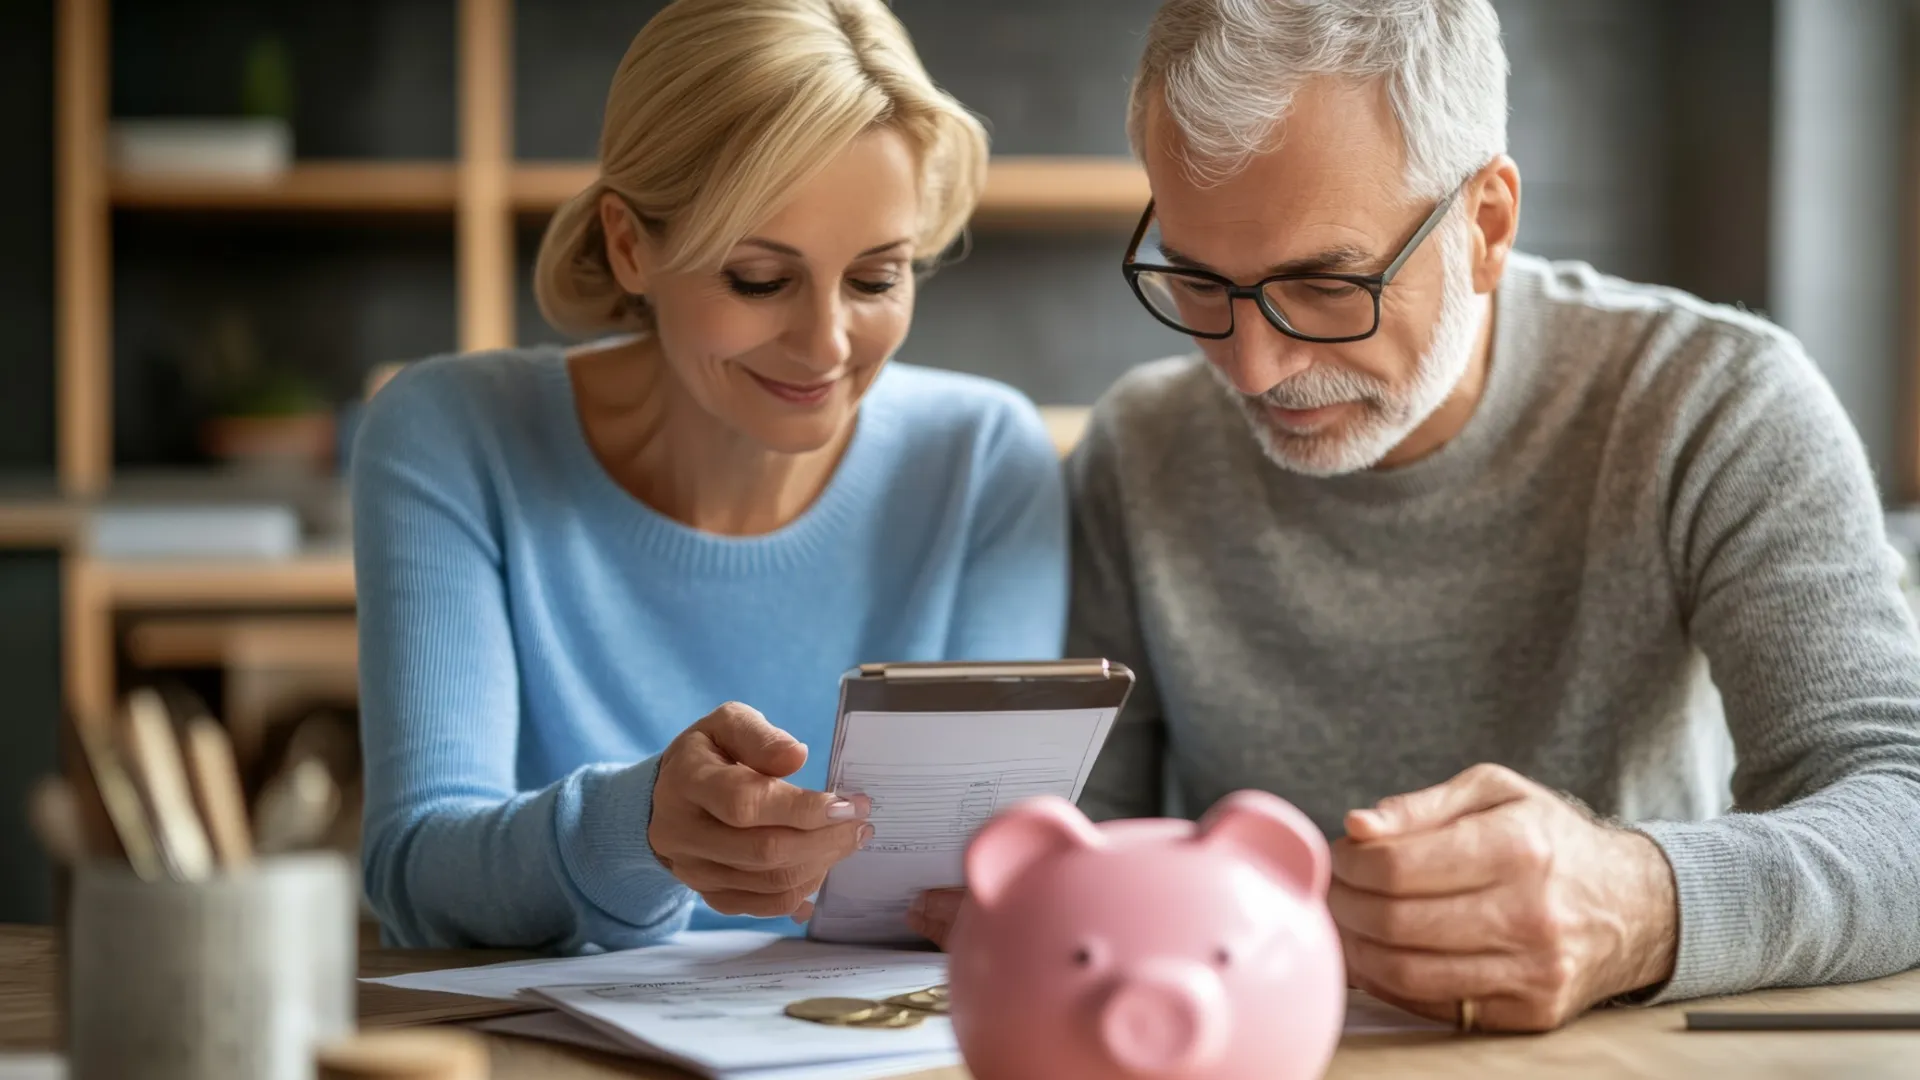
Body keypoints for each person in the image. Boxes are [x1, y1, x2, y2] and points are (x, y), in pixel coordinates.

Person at [907, 0, 1920, 1033]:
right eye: (1199, 279)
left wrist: (1642, 900)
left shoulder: (1713, 404)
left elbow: (1904, 806)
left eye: (1324, 285)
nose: (1254, 369)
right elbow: (1093, 836)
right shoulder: (1144, 444)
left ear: (1486, 224)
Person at [350, 0, 1067, 952]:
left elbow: (993, 870)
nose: (826, 346)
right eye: (760, 280)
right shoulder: (453, 437)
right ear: (629, 245)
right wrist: (637, 828)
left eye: (876, 278)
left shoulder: (983, 459)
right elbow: (416, 872)